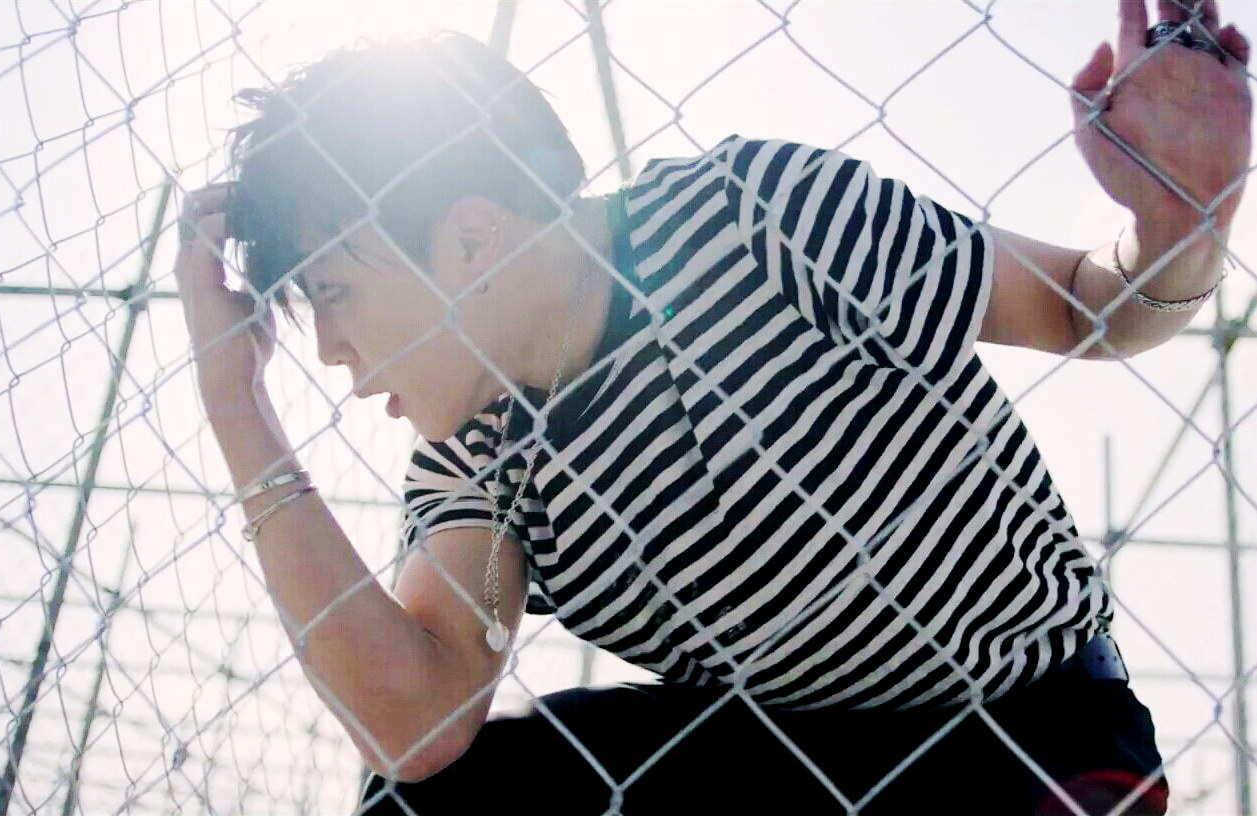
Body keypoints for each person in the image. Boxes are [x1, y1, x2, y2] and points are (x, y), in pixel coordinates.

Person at [172, 2, 1251, 813]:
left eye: (335, 293)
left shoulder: (752, 216)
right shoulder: (478, 449)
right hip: (781, 755)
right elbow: (414, 725)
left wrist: (1180, 220)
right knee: (433, 800)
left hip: (1020, 724)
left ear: (469, 237)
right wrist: (235, 403)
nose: (330, 350)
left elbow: (1083, 310)